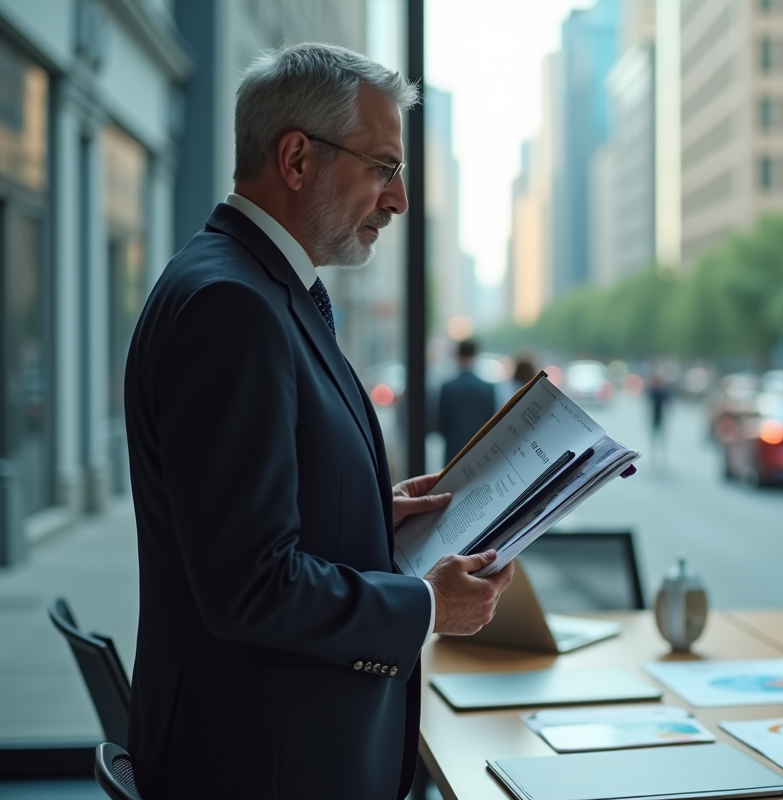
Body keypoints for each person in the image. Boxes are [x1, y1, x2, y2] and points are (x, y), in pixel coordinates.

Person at [123, 44, 514, 800]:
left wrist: (373, 514)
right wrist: (429, 604)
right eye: (384, 168)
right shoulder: (233, 308)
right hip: (265, 766)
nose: (397, 201)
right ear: (297, 159)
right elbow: (251, 585)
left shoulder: (254, 289)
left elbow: (250, 517)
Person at [437, 338, 498, 464]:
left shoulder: (448, 388)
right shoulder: (488, 389)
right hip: (480, 454)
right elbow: (492, 424)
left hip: (453, 454)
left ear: (458, 355)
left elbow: (440, 426)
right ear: (475, 355)